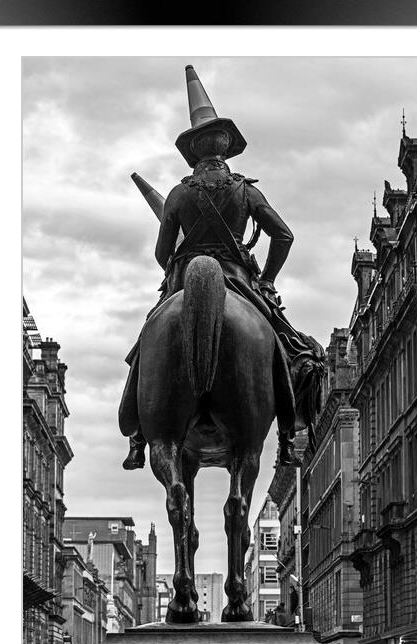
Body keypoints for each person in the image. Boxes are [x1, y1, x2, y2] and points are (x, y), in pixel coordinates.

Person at [119, 65, 324, 470]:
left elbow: (163, 253)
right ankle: (286, 438)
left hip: (183, 275)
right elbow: (284, 236)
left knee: (145, 344)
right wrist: (265, 279)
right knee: (287, 349)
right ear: (227, 150)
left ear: (194, 152)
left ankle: (139, 437)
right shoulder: (247, 191)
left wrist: (179, 266)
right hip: (240, 279)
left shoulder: (178, 194)